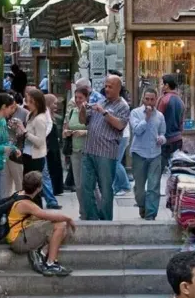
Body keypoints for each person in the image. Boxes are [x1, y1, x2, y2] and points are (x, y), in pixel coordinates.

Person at [78, 74, 130, 221]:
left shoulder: (123, 106)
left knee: (106, 189)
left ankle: (106, 221)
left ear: (118, 88)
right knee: (86, 187)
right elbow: (84, 121)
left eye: (110, 87)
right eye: (105, 86)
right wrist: (82, 109)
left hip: (106, 153)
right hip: (89, 150)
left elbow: (120, 125)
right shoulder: (101, 101)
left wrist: (104, 112)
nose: (106, 89)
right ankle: (92, 218)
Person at [5, 171, 76, 276]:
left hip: (21, 234)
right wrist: (68, 218)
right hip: (18, 241)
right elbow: (47, 215)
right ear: (39, 188)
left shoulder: (20, 194)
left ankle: (41, 252)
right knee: (60, 225)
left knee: (61, 229)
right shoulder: (26, 204)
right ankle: (51, 264)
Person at [130, 88, 167, 221]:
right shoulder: (135, 113)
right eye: (147, 99)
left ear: (156, 100)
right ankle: (142, 205)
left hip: (155, 154)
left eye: (152, 99)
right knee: (139, 188)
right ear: (143, 99)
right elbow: (137, 131)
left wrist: (161, 139)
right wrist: (147, 118)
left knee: (153, 185)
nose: (150, 102)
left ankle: (151, 214)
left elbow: (163, 133)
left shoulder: (160, 116)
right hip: (139, 153)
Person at [20, 88, 57, 208]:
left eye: (30, 102)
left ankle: (37, 210)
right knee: (28, 186)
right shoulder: (30, 115)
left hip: (36, 157)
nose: (27, 104)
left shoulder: (40, 119)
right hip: (27, 154)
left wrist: (25, 132)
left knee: (34, 188)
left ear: (36, 102)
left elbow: (40, 142)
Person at [64, 86, 90, 194]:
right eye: (76, 97)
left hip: (88, 151)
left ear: (87, 98)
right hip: (74, 151)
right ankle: (82, 210)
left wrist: (84, 132)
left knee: (89, 184)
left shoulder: (91, 111)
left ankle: (96, 208)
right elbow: (66, 128)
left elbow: (97, 131)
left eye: (81, 98)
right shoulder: (72, 112)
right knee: (78, 184)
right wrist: (66, 132)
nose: (78, 100)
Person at [43, 94, 66, 208]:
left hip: (54, 146)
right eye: (54, 103)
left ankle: (56, 189)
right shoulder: (45, 115)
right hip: (49, 147)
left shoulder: (52, 116)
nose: (56, 105)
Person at [158, 74, 185, 169]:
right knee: (176, 170)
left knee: (157, 171)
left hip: (165, 141)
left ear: (167, 85)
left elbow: (158, 120)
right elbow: (181, 123)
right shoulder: (180, 101)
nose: (161, 86)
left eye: (162, 84)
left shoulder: (164, 99)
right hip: (177, 139)